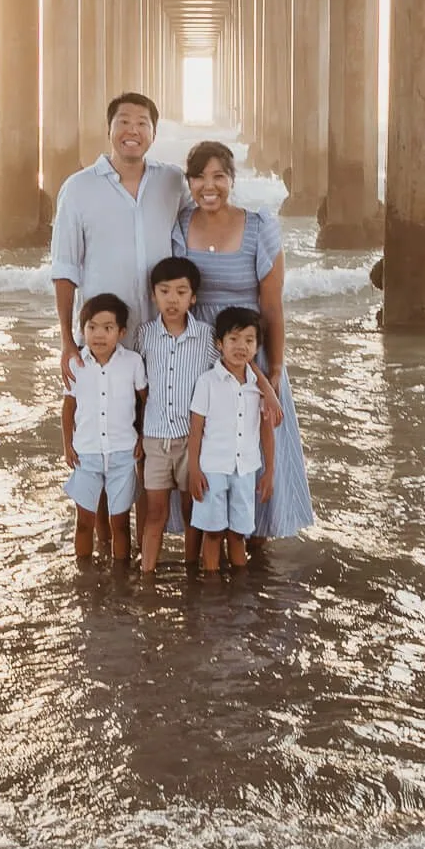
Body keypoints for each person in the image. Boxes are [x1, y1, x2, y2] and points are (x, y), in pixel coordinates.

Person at [171, 140, 315, 541]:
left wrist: (274, 369)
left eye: (218, 176)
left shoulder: (258, 226)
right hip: (201, 352)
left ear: (232, 180)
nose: (208, 186)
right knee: (204, 446)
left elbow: (272, 306)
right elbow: (175, 294)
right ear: (190, 182)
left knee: (254, 442)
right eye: (198, 177)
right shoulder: (181, 225)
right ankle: (200, 541)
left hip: (250, 350)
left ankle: (256, 542)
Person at [47, 94, 188, 380]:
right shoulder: (78, 189)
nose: (132, 131)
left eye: (142, 123)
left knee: (160, 424)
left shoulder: (173, 182)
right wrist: (66, 340)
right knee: (98, 422)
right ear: (108, 129)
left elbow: (200, 230)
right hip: (102, 340)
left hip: (163, 339)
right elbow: (65, 268)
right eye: (123, 122)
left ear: (154, 133)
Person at [136, 256, 214, 580]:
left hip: (191, 442)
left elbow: (229, 374)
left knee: (189, 509)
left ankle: (192, 573)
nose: (172, 299)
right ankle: (146, 577)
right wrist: (136, 434)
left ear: (193, 297)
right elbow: (136, 388)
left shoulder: (207, 338)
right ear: (153, 294)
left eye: (181, 292)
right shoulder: (144, 336)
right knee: (155, 511)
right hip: (154, 440)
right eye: (164, 291)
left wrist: (265, 388)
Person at [185, 307, 275, 573]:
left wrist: (269, 471)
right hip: (212, 469)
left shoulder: (259, 389)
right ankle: (211, 590)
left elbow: (266, 433)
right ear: (219, 344)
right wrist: (193, 470)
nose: (241, 346)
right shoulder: (207, 382)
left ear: (257, 347)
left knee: (238, 535)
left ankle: (239, 591)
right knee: (212, 534)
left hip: (245, 470)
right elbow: (196, 430)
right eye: (233, 339)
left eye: (249, 340)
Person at [62, 292, 144, 563]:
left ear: (120, 332)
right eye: (92, 327)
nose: (99, 335)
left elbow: (144, 401)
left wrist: (142, 437)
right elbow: (68, 407)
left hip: (123, 454)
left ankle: (121, 578)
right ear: (82, 330)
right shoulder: (76, 364)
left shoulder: (132, 362)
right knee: (84, 522)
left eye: (107, 328)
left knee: (120, 523)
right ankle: (84, 575)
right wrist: (67, 445)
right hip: (87, 454)